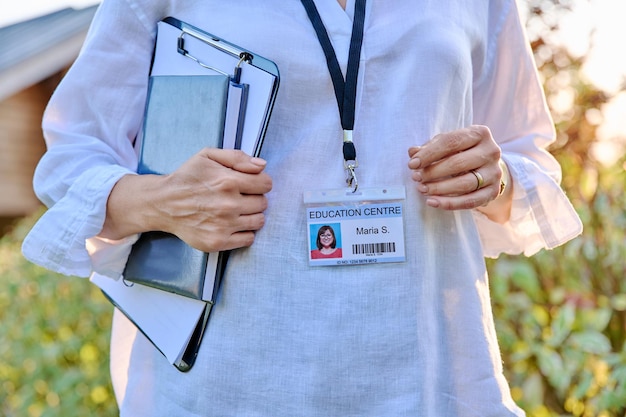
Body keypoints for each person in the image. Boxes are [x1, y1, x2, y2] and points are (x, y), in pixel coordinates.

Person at [22, 0, 583, 415]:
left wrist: (497, 176)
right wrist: (163, 201)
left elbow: (527, 158)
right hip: (229, 384)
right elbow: (70, 161)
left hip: (432, 378)